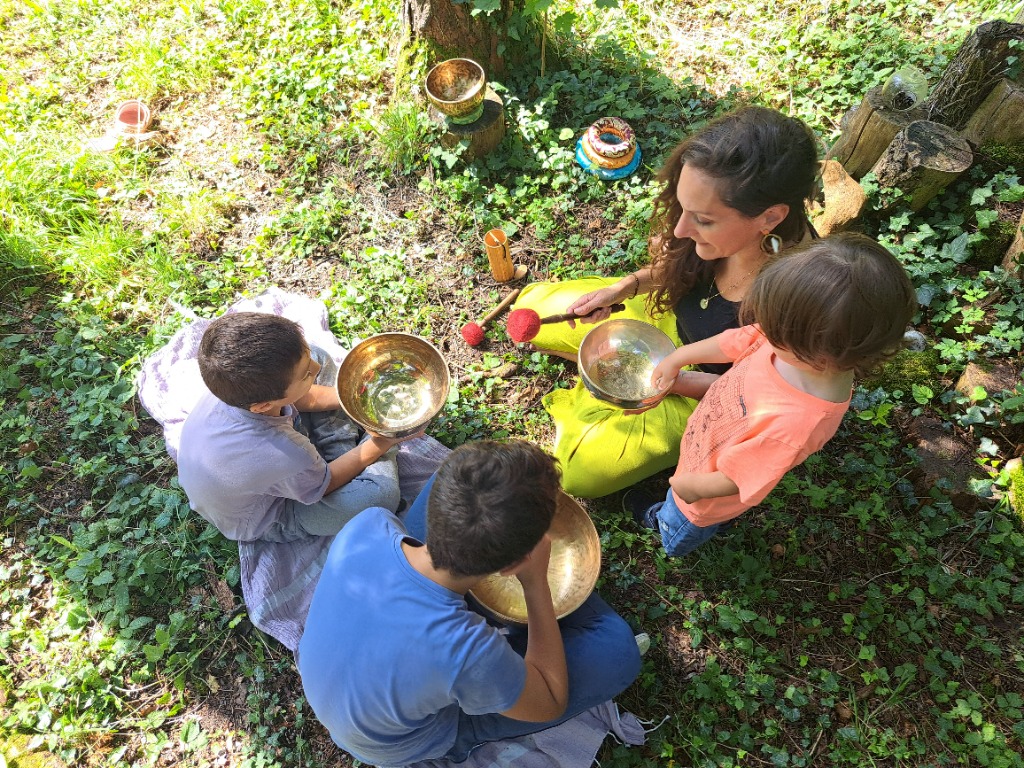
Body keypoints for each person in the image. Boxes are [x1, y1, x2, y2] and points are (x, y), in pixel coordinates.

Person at [512, 105, 820, 498]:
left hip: (704, 388)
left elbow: (754, 397)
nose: (680, 229)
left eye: (703, 221)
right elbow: (677, 270)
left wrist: (669, 382)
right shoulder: (705, 223)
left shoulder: (797, 300)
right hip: (662, 320)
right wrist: (623, 289)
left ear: (770, 217)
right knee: (534, 307)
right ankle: (598, 376)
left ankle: (601, 384)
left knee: (577, 474)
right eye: (683, 208)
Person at [297, 440, 642, 767]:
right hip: (397, 740)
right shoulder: (471, 653)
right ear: (510, 569)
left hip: (343, 695)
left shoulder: (368, 524)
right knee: (616, 649)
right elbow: (550, 701)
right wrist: (536, 584)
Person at [627, 233, 916, 556]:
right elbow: (736, 341)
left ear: (818, 355)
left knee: (680, 520)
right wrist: (679, 357)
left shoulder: (796, 423)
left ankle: (666, 525)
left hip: (701, 499)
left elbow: (741, 478)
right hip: (710, 444)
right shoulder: (801, 344)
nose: (762, 330)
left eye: (773, 331)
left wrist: (689, 488)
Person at [176, 311, 416, 542]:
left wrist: (350, 397)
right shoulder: (283, 451)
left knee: (318, 355)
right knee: (379, 496)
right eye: (306, 376)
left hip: (277, 465)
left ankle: (340, 447)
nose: (316, 368)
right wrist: (384, 440)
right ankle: (356, 443)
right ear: (263, 406)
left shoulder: (233, 389)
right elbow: (326, 483)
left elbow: (301, 392)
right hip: (273, 514)